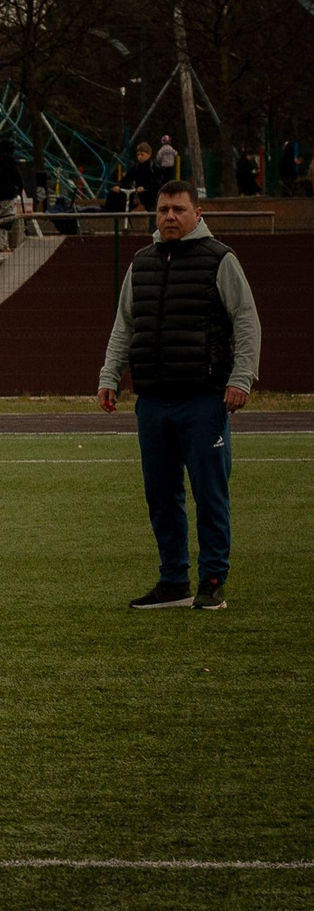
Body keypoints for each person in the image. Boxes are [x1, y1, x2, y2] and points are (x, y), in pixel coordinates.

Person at [98, 181, 261, 612]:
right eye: (163, 209)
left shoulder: (220, 259)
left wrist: (241, 378)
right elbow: (124, 326)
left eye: (178, 209)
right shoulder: (141, 262)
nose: (170, 216)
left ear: (197, 213)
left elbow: (246, 321)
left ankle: (211, 581)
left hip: (203, 399)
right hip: (152, 400)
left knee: (209, 492)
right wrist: (109, 376)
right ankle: (173, 581)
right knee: (161, 495)